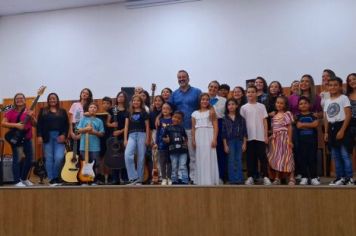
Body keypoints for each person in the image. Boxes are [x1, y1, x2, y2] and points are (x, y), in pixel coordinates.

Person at [169, 70, 202, 184]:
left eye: (184, 77)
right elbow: (168, 109)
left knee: (192, 154)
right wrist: (158, 117)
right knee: (178, 154)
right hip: (177, 130)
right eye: (179, 77)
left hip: (193, 128)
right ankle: (180, 177)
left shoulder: (197, 92)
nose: (181, 79)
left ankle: (193, 177)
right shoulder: (174, 94)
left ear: (188, 78)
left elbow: (204, 105)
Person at [2, 93, 36, 187]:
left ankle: (24, 178)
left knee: (30, 160)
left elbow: (35, 124)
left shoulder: (29, 110)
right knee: (17, 159)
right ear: (14, 100)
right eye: (17, 98)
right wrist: (16, 125)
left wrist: (32, 116)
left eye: (21, 98)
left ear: (24, 100)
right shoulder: (10, 111)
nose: (19, 100)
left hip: (27, 138)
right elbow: (3, 123)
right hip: (17, 139)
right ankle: (17, 181)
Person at [324, 77, 353, 185]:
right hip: (331, 128)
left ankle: (349, 178)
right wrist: (326, 132)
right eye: (330, 85)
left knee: (345, 154)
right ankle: (340, 177)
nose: (333, 87)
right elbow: (326, 117)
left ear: (340, 86)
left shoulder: (343, 98)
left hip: (342, 126)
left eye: (336, 85)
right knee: (335, 155)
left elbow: (348, 115)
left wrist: (342, 130)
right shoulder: (327, 101)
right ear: (328, 87)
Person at [240, 86, 271, 185]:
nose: (250, 94)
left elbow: (264, 121)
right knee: (250, 158)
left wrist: (265, 135)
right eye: (248, 92)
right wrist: (244, 138)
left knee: (262, 157)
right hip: (249, 137)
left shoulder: (261, 106)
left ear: (256, 93)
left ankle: (265, 176)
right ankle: (250, 177)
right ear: (246, 94)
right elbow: (242, 124)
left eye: (253, 92)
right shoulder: (243, 107)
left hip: (260, 136)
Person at [37, 93, 69, 186]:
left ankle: (55, 176)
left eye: (54, 98)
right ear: (48, 100)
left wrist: (64, 135)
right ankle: (52, 179)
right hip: (47, 137)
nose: (52, 100)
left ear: (57, 100)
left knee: (59, 157)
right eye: (50, 99)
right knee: (49, 158)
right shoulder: (43, 110)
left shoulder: (62, 111)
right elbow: (39, 124)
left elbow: (66, 124)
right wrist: (39, 136)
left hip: (59, 137)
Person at [192, 93, 219, 185]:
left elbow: (215, 126)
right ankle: (201, 180)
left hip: (209, 135)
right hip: (199, 136)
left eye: (207, 99)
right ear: (199, 101)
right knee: (200, 157)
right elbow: (193, 128)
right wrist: (193, 140)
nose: (204, 101)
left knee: (209, 157)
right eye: (203, 99)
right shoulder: (194, 113)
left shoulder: (212, 112)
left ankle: (210, 180)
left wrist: (214, 139)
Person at [267, 96, 295, 185]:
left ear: (285, 105)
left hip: (285, 138)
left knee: (287, 157)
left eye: (281, 103)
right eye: (277, 103)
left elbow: (289, 127)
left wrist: (290, 140)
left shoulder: (287, 113)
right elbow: (275, 130)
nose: (279, 104)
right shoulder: (274, 116)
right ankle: (277, 177)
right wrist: (270, 137)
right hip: (276, 140)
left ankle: (291, 177)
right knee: (277, 158)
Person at [124, 95, 150, 185]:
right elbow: (126, 126)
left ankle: (140, 179)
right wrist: (125, 139)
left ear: (141, 102)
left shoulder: (144, 113)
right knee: (127, 155)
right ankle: (133, 177)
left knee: (141, 157)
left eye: (138, 101)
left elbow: (147, 126)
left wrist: (147, 138)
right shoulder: (129, 112)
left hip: (142, 134)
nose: (136, 102)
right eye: (134, 100)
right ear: (132, 102)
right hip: (131, 135)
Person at [77, 103, 105, 184]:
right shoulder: (83, 119)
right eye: (91, 107)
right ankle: (85, 181)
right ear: (88, 109)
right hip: (83, 146)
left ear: (97, 110)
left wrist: (93, 132)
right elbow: (77, 130)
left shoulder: (99, 121)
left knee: (95, 164)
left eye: (95, 107)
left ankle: (94, 180)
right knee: (84, 164)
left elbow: (102, 134)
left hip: (95, 147)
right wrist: (85, 129)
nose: (92, 109)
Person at [222, 98, 247, 184]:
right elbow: (224, 133)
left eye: (233, 104)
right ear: (227, 107)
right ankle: (232, 179)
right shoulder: (225, 119)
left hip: (239, 141)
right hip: (230, 141)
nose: (231, 106)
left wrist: (244, 143)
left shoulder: (241, 118)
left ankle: (239, 179)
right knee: (231, 160)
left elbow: (244, 132)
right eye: (229, 104)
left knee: (238, 160)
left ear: (236, 106)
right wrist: (225, 145)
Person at [295, 96, 320, 185]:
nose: (303, 105)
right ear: (298, 106)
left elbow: (315, 124)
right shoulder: (297, 116)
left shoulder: (313, 115)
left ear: (309, 104)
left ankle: (313, 177)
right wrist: (310, 124)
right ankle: (304, 177)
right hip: (301, 142)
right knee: (303, 159)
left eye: (305, 103)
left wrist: (303, 125)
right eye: (301, 104)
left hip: (312, 142)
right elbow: (298, 126)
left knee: (312, 159)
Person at [106, 91, 129, 184]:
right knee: (114, 156)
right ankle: (115, 178)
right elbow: (107, 123)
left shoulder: (127, 110)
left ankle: (124, 177)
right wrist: (112, 125)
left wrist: (121, 131)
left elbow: (129, 124)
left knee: (123, 156)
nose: (120, 98)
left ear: (125, 99)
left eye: (122, 96)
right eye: (119, 96)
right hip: (113, 137)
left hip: (123, 135)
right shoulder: (112, 110)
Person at [207, 80, 227, 183]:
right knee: (208, 151)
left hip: (219, 124)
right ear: (208, 87)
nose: (213, 89)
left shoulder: (223, 100)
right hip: (206, 125)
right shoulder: (203, 99)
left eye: (215, 87)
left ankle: (221, 176)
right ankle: (209, 176)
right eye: (211, 87)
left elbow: (225, 115)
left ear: (218, 90)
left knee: (220, 151)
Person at [162, 111, 189, 184]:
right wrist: (166, 140)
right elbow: (163, 137)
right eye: (175, 117)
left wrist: (185, 141)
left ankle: (185, 180)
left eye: (179, 118)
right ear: (172, 117)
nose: (176, 119)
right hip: (172, 150)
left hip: (183, 151)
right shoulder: (168, 128)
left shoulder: (182, 128)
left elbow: (186, 138)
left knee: (183, 165)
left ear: (181, 120)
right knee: (174, 166)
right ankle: (174, 180)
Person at [154, 102, 173, 185]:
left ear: (171, 110)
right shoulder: (160, 120)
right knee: (162, 162)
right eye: (163, 108)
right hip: (161, 145)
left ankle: (169, 177)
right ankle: (164, 178)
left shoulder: (173, 120)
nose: (165, 110)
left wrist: (171, 139)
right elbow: (158, 133)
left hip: (171, 144)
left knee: (169, 162)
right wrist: (156, 143)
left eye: (167, 108)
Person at [346, 73, 356, 157]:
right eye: (350, 80)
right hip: (350, 124)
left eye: (354, 79)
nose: (352, 81)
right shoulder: (346, 95)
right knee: (350, 151)